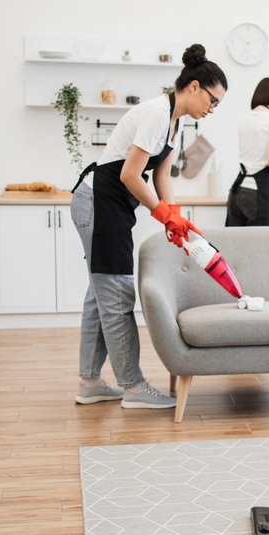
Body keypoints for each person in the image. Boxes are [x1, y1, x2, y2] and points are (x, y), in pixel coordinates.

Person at [70, 44, 227, 408]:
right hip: (98, 202)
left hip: (113, 206)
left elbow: (159, 173)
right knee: (116, 294)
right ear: (193, 87)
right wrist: (162, 214)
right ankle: (134, 386)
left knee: (99, 296)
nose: (212, 108)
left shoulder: (177, 120)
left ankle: (90, 383)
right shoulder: (158, 113)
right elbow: (129, 174)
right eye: (212, 100)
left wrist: (175, 214)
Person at [226, 78, 269, 226]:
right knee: (261, 246)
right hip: (259, 194)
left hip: (238, 191)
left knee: (234, 245)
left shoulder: (245, 118)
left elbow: (253, 157)